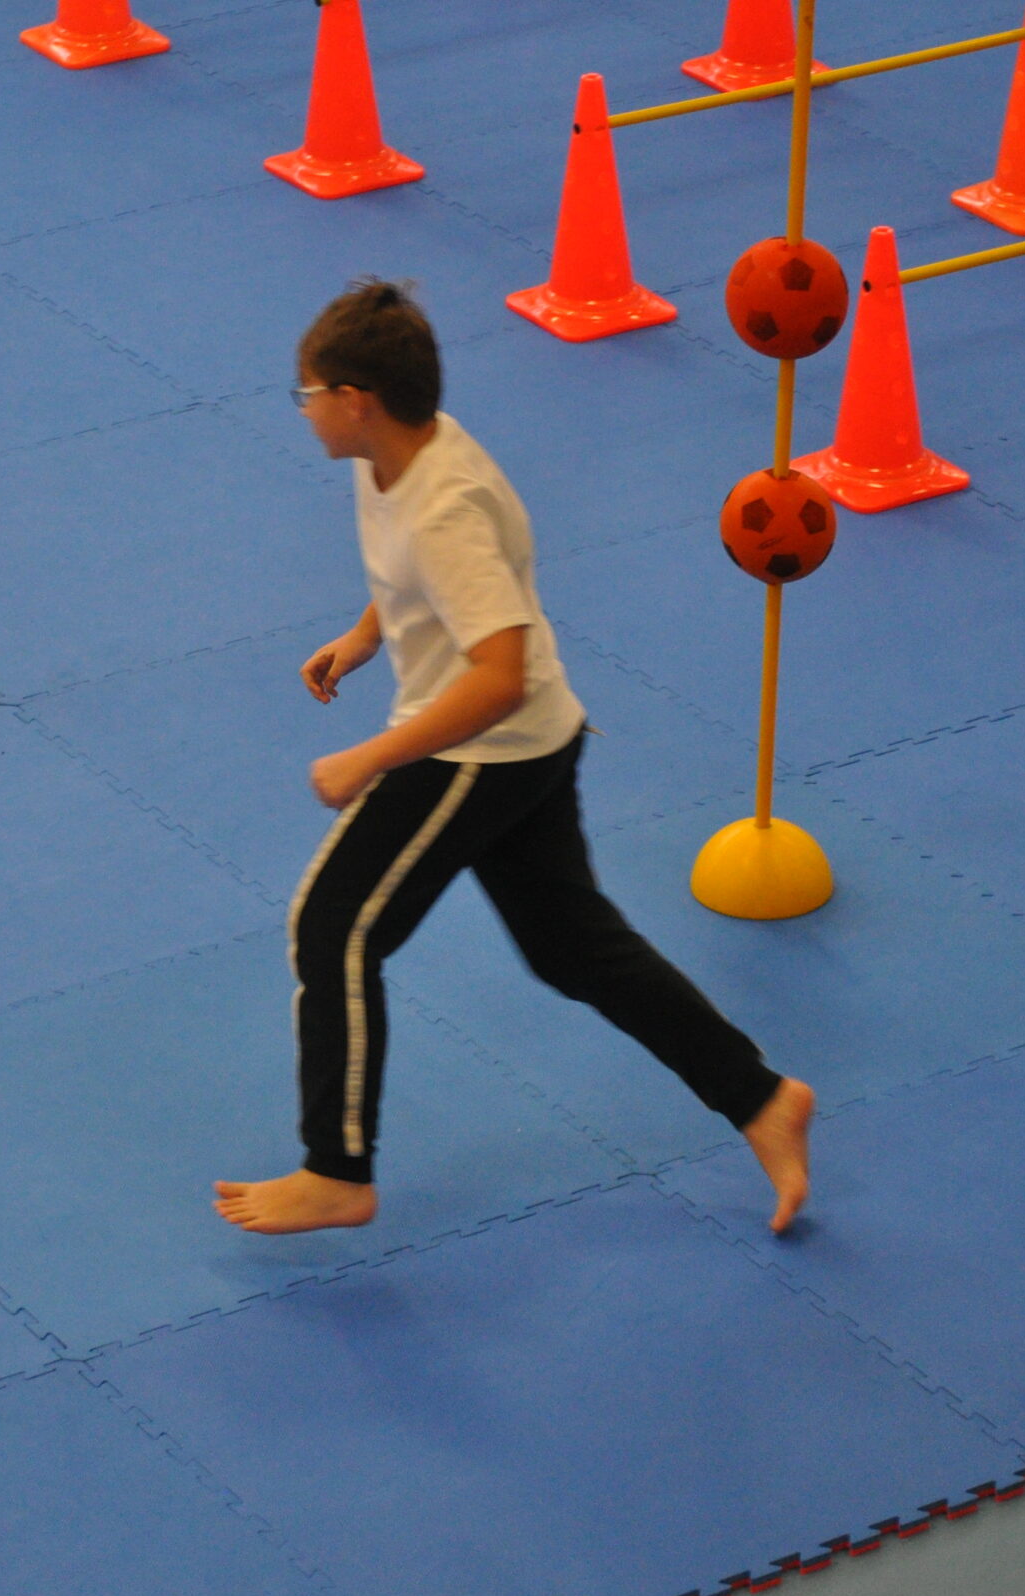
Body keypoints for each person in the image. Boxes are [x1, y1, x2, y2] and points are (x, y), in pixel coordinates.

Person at [213, 279, 815, 1237]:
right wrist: (368, 635)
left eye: (309, 394)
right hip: (532, 741)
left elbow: (500, 676)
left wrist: (370, 758)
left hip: (480, 749)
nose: (305, 411)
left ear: (357, 401)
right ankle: (762, 1098)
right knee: (572, 948)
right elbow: (425, 580)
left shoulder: (444, 506)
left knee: (331, 929)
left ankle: (337, 1170)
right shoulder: (398, 455)